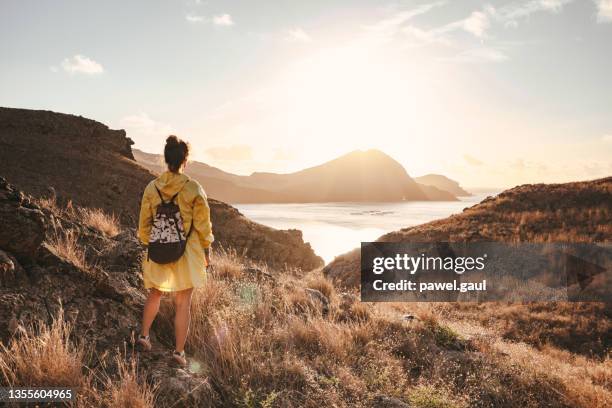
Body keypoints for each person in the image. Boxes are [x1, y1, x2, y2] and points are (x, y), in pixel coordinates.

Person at [136, 135, 214, 366]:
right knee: (183, 302)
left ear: (166, 159)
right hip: (186, 253)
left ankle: (143, 337)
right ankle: (178, 354)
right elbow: (202, 225)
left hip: (158, 249)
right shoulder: (193, 188)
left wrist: (152, 243)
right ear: (185, 161)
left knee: (155, 293)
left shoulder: (152, 187)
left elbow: (144, 225)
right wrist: (207, 249)